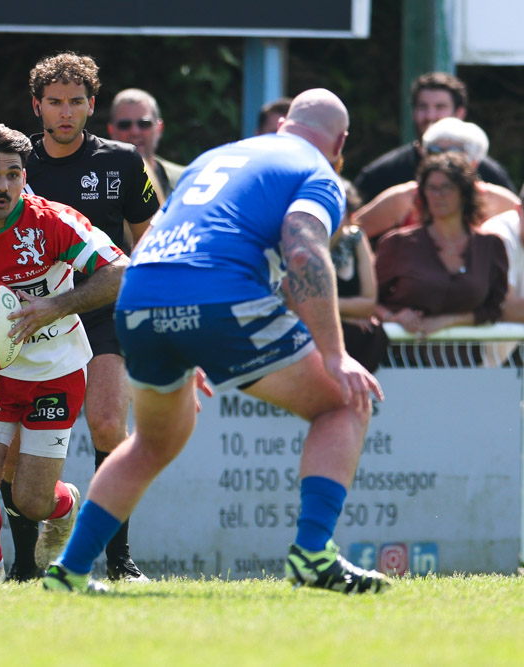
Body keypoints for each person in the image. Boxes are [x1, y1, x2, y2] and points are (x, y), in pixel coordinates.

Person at [43, 88, 391, 595]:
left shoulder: (215, 157)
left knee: (152, 442)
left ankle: (70, 571)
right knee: (343, 403)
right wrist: (337, 356)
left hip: (141, 293)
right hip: (215, 292)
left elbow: (158, 234)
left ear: (283, 125)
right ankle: (314, 555)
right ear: (340, 142)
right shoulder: (318, 170)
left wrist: (190, 340)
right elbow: (304, 245)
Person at [0, 123, 127, 583]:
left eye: (13, 173)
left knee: (34, 501)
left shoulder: (52, 221)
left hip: (55, 370)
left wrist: (55, 306)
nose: (4, 185)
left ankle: (66, 503)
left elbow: (119, 271)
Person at [16, 52, 159, 583]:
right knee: (13, 447)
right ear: (37, 106)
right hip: (33, 314)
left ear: (92, 105)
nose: (65, 112)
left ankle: (118, 560)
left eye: (76, 101)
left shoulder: (122, 161)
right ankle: (22, 565)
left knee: (105, 423)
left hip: (102, 311)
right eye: (54, 102)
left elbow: (151, 244)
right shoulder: (15, 163)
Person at [373, 152, 508, 339]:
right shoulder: (397, 243)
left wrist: (448, 321)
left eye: (447, 187)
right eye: (431, 188)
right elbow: (368, 299)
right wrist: (392, 316)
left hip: (466, 362)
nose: (438, 195)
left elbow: (494, 309)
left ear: (465, 192)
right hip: (399, 360)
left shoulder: (491, 246)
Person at [355, 72, 514, 203]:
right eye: (422, 107)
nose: (430, 116)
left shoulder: (489, 174)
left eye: (440, 107)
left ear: (459, 113)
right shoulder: (381, 174)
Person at [354, 117, 520, 243]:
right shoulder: (406, 198)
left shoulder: (495, 200)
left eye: (453, 153)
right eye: (434, 152)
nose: (442, 160)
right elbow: (350, 233)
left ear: (474, 162)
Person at [332, 181, 387, 373]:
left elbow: (368, 304)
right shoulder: (294, 243)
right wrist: (346, 317)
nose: (327, 219)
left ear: (350, 217)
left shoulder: (356, 238)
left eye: (336, 211)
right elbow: (292, 306)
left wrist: (325, 309)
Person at [107, 88, 185, 201]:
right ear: (111, 131)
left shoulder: (184, 180)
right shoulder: (96, 182)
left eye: (144, 124)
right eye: (124, 125)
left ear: (159, 128)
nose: (135, 132)